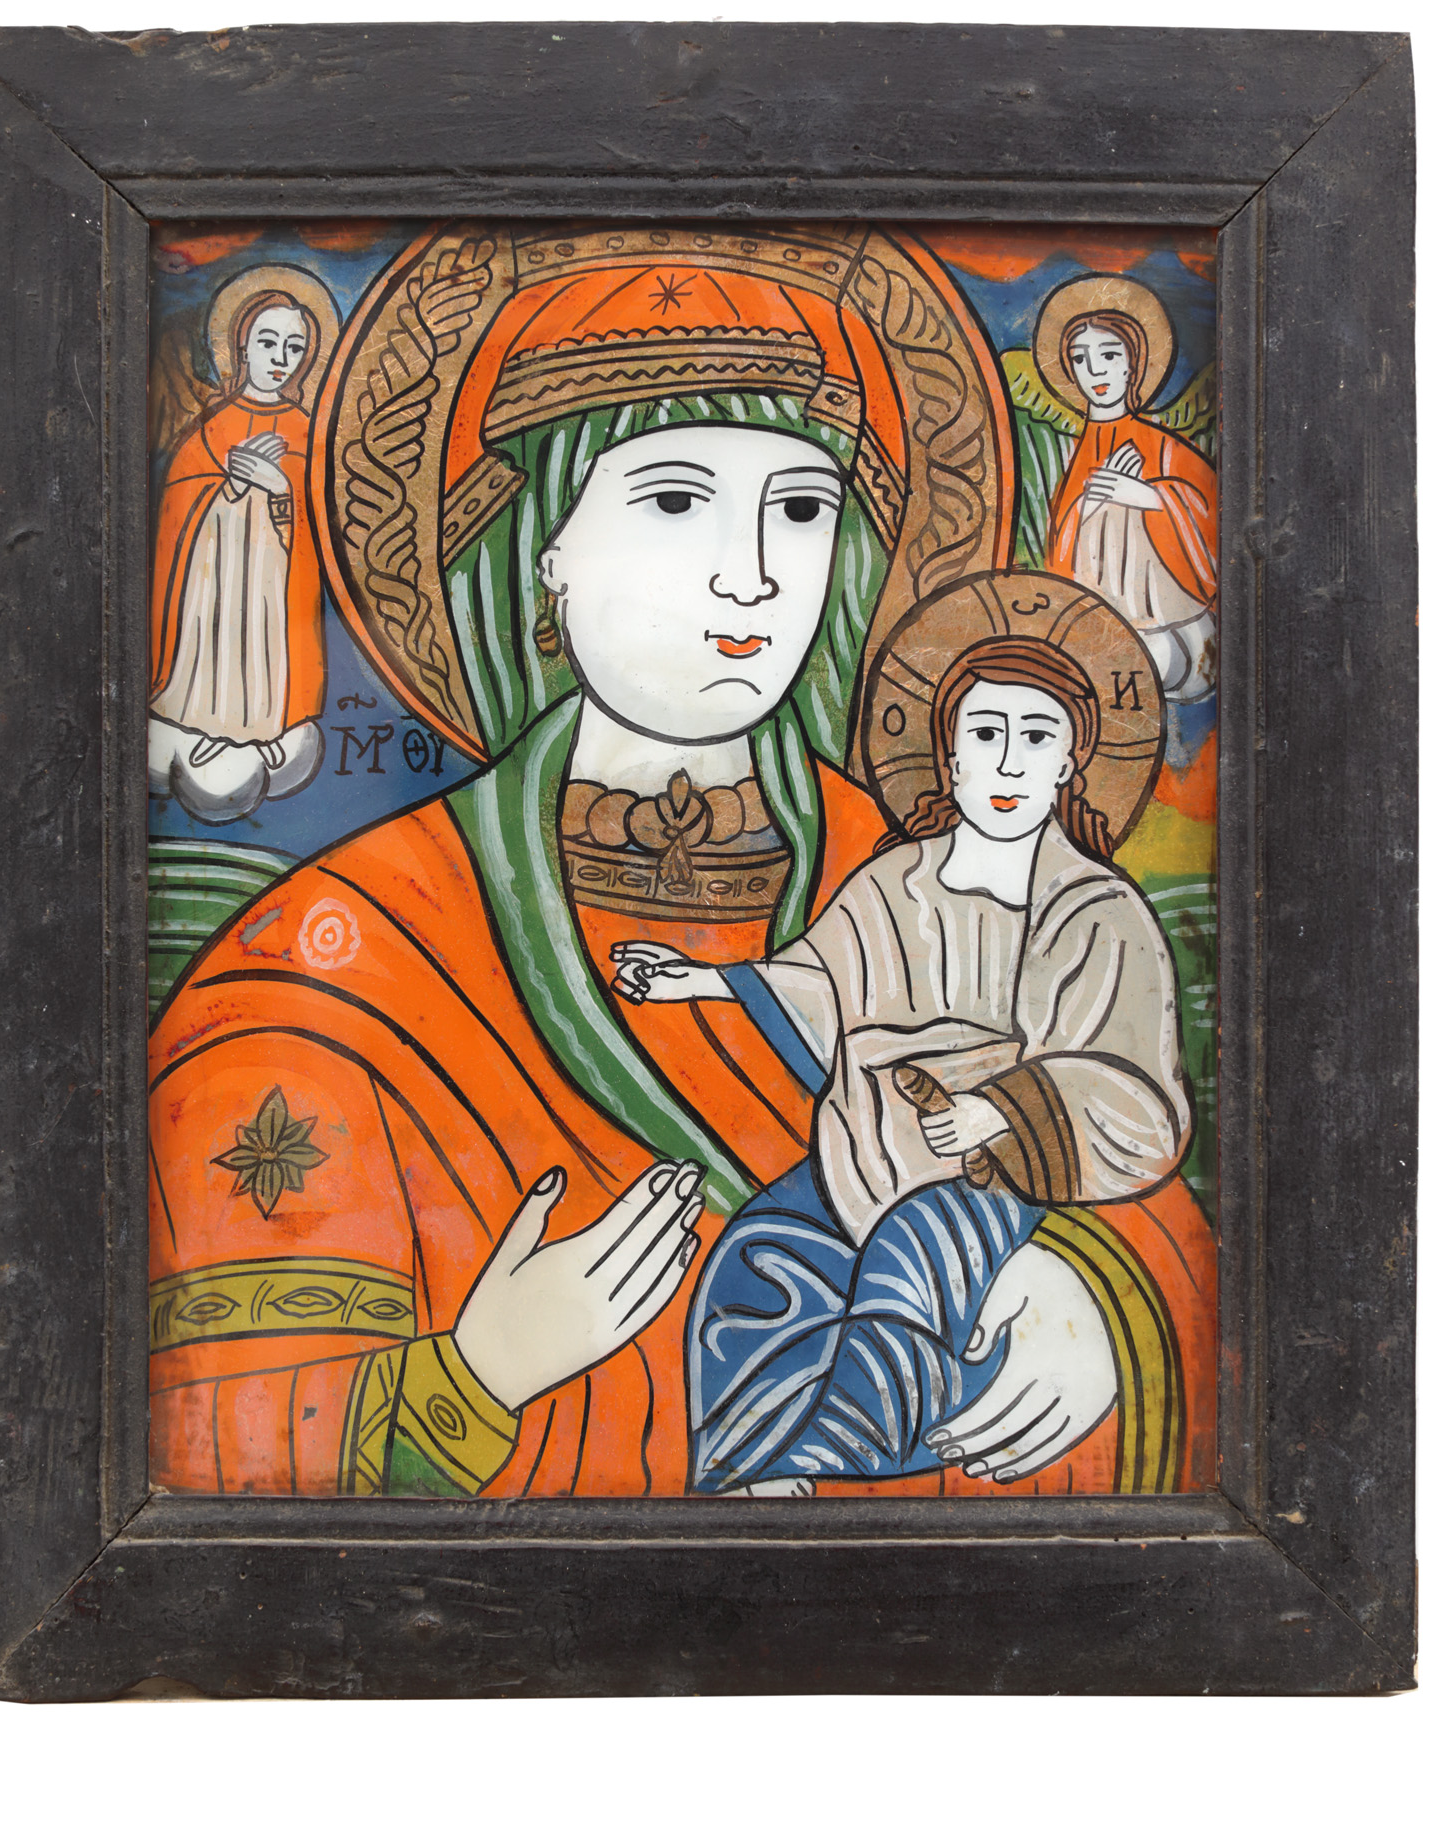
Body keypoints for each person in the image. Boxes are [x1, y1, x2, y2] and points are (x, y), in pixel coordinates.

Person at [146, 222, 1213, 1498]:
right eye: (670, 500)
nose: (748, 577)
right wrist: (475, 1371)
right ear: (547, 547)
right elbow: (210, 1442)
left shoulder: (930, 875)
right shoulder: (352, 946)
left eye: (801, 509)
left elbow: (1157, 1186)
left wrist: (1093, 1299)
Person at [611, 630, 1192, 1492]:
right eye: (986, 734)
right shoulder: (893, 882)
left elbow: (1127, 1080)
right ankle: (741, 1476)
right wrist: (706, 980)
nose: (1008, 762)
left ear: (1070, 764)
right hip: (867, 1148)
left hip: (1000, 1173)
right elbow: (819, 982)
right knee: (754, 1256)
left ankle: (822, 1458)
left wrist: (998, 1111)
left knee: (912, 1261)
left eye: (1037, 737)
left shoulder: (1094, 909)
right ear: (950, 759)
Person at [149, 270, 335, 821]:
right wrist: (229, 486)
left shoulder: (306, 429)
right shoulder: (210, 426)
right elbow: (179, 504)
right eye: (268, 342)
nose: (281, 358)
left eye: (295, 347)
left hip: (275, 577)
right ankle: (207, 724)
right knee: (220, 639)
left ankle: (261, 727)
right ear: (242, 346)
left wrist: (279, 489)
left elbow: (318, 524)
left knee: (265, 644)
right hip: (215, 570)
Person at [1036, 275, 1219, 702]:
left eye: (1109, 354)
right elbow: (1059, 557)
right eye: (1080, 359)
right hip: (1100, 634)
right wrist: (1090, 506)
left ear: (1131, 363)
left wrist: (1150, 498)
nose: (1095, 370)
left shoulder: (1166, 449)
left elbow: (1210, 516)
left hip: (1175, 631)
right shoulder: (1077, 458)